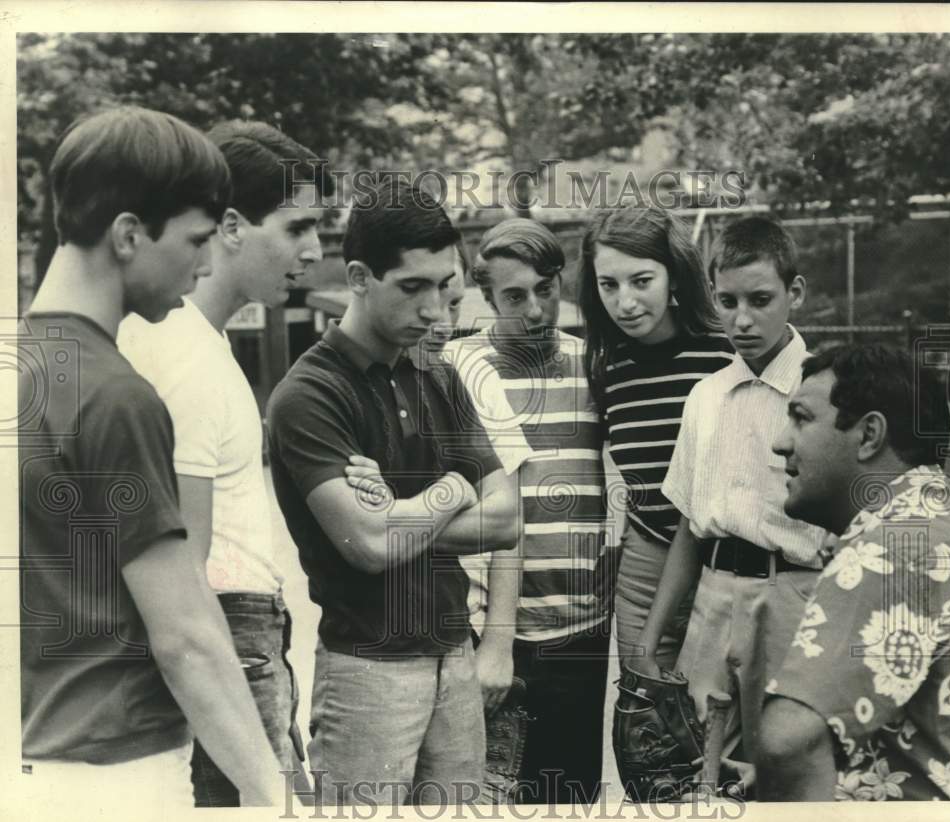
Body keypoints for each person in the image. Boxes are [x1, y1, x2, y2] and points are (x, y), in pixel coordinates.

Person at [18, 106, 286, 810]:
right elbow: (186, 637)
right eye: (198, 239)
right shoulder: (115, 395)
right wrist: (272, 794)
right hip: (121, 768)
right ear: (130, 235)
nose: (205, 263)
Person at [266, 179, 517, 806]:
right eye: (412, 287)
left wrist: (400, 511)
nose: (434, 310)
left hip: (455, 657)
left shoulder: (439, 374)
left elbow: (509, 517)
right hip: (367, 670)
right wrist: (455, 488)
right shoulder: (309, 395)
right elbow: (368, 545)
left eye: (443, 286)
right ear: (357, 277)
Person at [117, 120, 329, 806]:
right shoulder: (183, 358)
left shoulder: (196, 346)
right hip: (227, 637)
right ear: (232, 226)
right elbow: (185, 581)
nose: (315, 249)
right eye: (297, 228)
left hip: (243, 637)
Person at [632, 216, 828, 768]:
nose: (742, 319)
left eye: (761, 299)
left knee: (793, 767)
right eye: (727, 301)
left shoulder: (828, 391)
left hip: (795, 596)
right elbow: (690, 528)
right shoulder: (706, 396)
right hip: (714, 602)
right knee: (706, 771)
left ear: (795, 293)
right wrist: (647, 643)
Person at [758, 345, 950, 801]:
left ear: (868, 435)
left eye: (801, 418)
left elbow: (788, 742)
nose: (780, 441)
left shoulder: (890, 549)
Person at [445, 218, 610, 804]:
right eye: (516, 296)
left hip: (579, 632)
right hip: (482, 632)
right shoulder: (457, 367)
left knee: (569, 798)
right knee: (486, 801)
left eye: (547, 289)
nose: (537, 309)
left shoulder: (594, 365)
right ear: (485, 297)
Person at [577, 205, 733, 673]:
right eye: (609, 285)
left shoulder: (725, 354)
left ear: (674, 277)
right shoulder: (607, 366)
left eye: (641, 281)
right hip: (647, 560)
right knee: (644, 720)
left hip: (725, 558)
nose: (625, 302)